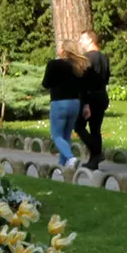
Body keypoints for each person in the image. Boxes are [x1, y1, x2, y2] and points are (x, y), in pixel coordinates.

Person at [41, 39, 88, 170]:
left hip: (59, 102)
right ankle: (62, 166)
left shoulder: (54, 65)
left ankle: (70, 157)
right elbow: (82, 87)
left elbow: (46, 83)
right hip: (74, 103)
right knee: (66, 135)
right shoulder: (78, 66)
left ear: (62, 50)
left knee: (56, 135)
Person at [76, 29, 111, 167]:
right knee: (95, 128)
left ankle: (96, 153)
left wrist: (85, 103)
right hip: (101, 95)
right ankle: (94, 161)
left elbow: (84, 81)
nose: (80, 42)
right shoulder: (104, 58)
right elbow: (106, 78)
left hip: (90, 97)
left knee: (78, 126)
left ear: (91, 40)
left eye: (82, 39)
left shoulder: (87, 59)